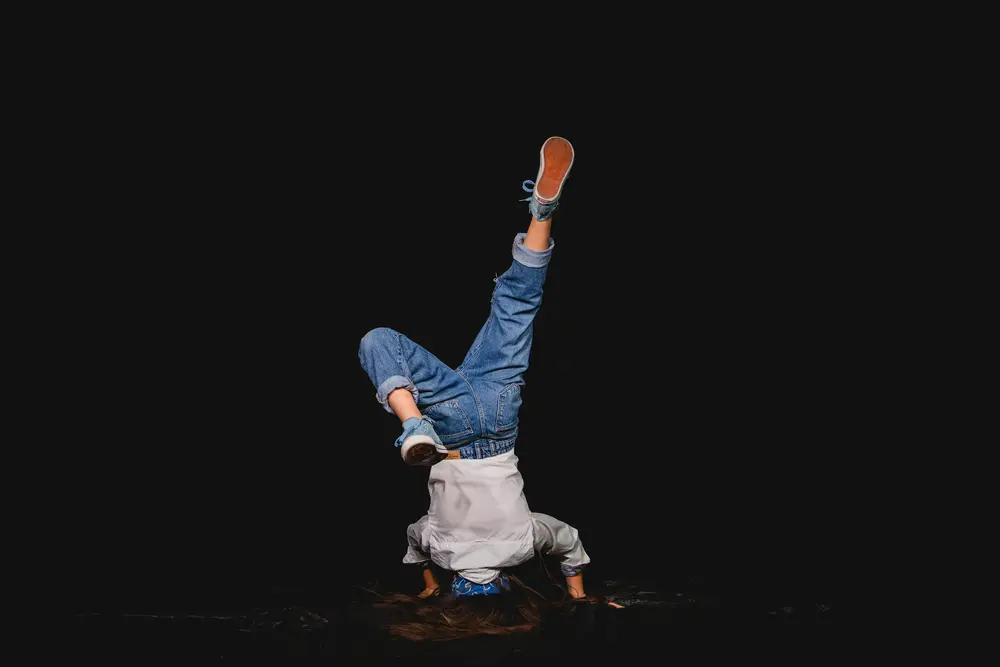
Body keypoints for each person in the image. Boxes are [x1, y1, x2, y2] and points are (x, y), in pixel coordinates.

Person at [359, 137, 614, 611]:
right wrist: (430, 586)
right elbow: (414, 544)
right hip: (446, 429)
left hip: (498, 416)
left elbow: (569, 542)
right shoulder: (440, 547)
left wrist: (579, 597)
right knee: (378, 341)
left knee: (517, 306)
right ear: (458, 587)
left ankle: (543, 213)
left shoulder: (522, 545)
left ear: (507, 585)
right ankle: (411, 424)